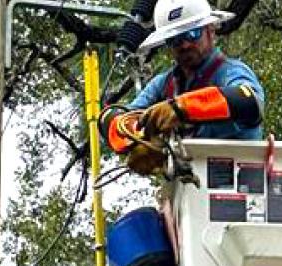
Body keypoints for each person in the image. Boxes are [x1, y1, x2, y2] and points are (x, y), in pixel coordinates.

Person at [101, 0, 266, 174]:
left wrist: (181, 109)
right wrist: (139, 141)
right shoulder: (164, 84)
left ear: (210, 29)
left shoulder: (230, 72)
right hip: (186, 192)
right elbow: (114, 120)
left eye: (193, 34)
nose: (185, 45)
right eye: (175, 40)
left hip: (238, 183)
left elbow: (249, 102)